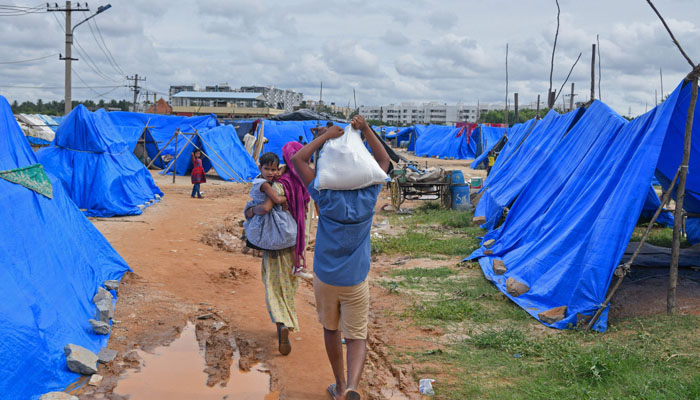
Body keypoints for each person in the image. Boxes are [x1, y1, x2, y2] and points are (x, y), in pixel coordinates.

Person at [291, 115, 390, 400]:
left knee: (331, 329)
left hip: (326, 276)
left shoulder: (325, 195)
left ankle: (338, 382)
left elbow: (299, 160)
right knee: (357, 336)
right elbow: (383, 163)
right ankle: (352, 388)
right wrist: (367, 130)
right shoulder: (369, 195)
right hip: (355, 279)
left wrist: (325, 137)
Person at [245, 152, 300, 355]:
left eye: (274, 169)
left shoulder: (274, 182)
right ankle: (286, 320)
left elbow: (266, 207)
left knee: (272, 285)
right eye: (267, 169)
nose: (271, 172)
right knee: (287, 284)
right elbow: (271, 203)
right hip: (285, 240)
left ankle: (281, 323)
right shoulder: (275, 184)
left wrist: (250, 211)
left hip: (271, 242)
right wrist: (287, 198)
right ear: (260, 168)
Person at [278, 142, 314, 279]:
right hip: (298, 230)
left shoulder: (281, 179)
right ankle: (298, 265)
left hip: (284, 235)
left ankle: (297, 266)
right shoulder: (308, 176)